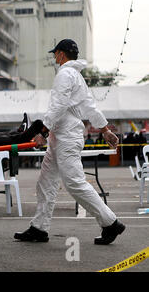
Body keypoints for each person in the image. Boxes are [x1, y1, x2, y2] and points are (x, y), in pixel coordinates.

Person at [14, 39, 125, 245]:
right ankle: (39, 227)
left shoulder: (64, 74)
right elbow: (90, 107)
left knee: (74, 183)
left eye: (55, 54)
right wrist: (105, 130)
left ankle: (110, 222)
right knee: (46, 182)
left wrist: (43, 132)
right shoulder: (77, 77)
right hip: (63, 136)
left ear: (61, 54)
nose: (54, 58)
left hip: (65, 136)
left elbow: (58, 105)